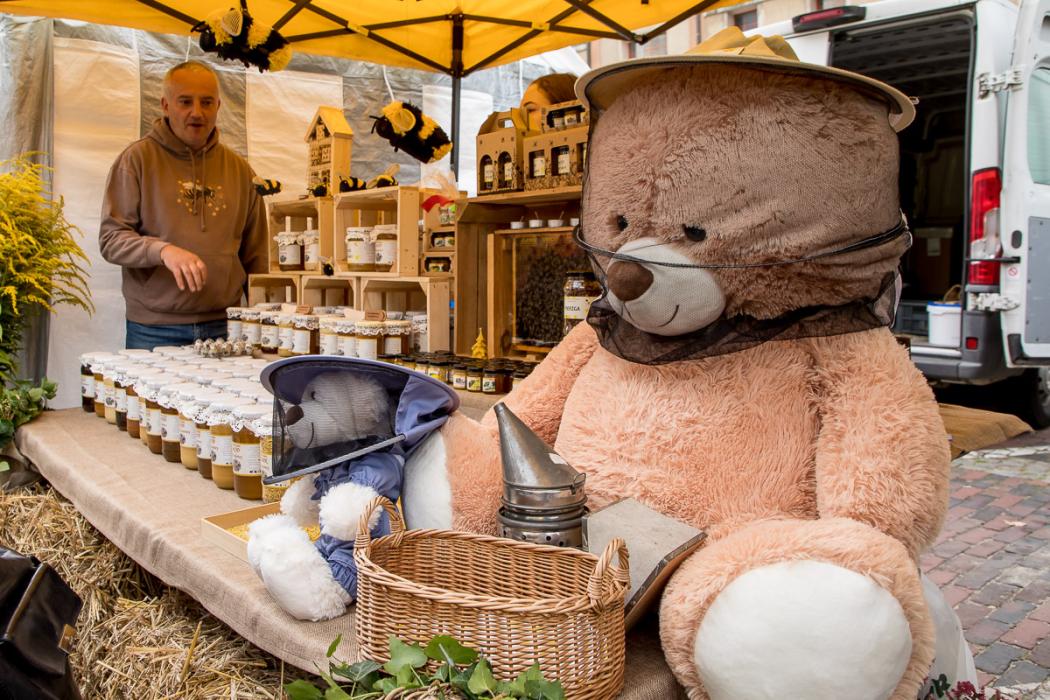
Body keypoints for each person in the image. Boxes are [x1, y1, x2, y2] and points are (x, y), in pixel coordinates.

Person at [99, 60, 268, 350]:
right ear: (165, 105)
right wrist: (163, 251)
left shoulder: (241, 171)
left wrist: (262, 316)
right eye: (185, 102)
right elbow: (111, 239)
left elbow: (256, 255)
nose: (197, 112)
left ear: (218, 106)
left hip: (226, 326)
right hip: (154, 329)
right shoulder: (136, 161)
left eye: (206, 102)